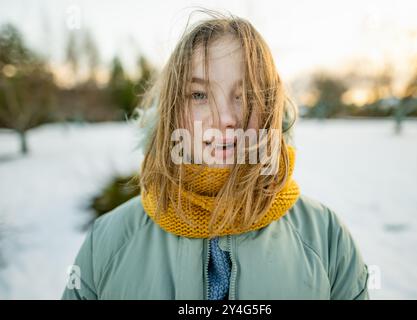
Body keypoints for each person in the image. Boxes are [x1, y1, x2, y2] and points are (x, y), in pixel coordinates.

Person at [62, 10, 369, 300]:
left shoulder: (326, 237)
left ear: (271, 111)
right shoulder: (108, 240)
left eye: (245, 95)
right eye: (199, 95)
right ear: (171, 112)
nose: (224, 119)